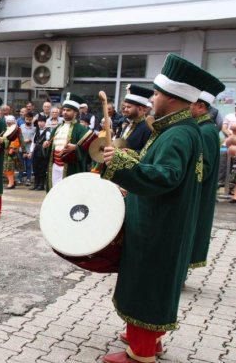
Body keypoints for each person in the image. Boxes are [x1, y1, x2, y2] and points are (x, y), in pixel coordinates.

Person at [100, 54, 206, 363]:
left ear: (172, 98)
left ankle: (140, 353)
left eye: (157, 93)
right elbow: (155, 167)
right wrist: (129, 164)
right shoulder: (177, 129)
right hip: (161, 221)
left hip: (158, 225)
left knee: (147, 284)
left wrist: (121, 165)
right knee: (150, 283)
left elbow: (166, 176)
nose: (153, 98)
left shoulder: (178, 134)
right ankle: (149, 341)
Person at [187, 72, 225, 270]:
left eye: (190, 104)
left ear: (201, 107)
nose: (187, 108)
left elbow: (205, 167)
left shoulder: (206, 131)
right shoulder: (199, 128)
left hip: (197, 194)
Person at [43, 93, 90, 191]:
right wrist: (46, 146)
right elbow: (50, 147)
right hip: (54, 166)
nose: (64, 112)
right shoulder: (57, 128)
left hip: (70, 168)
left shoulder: (81, 129)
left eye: (68, 110)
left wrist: (76, 147)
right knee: (54, 191)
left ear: (75, 113)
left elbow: (87, 149)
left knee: (67, 192)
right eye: (63, 110)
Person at [117, 85, 153, 152]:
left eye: (129, 107)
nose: (125, 110)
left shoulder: (148, 128)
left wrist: (127, 152)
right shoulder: (128, 124)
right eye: (125, 107)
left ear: (140, 109)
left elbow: (148, 153)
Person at [3, 115, 24, 189]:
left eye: (10, 122)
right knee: (5, 169)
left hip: (12, 151)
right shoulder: (5, 129)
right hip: (5, 151)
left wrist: (24, 151)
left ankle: (11, 183)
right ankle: (12, 181)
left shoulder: (18, 129)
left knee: (9, 168)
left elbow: (21, 140)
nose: (9, 123)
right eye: (8, 122)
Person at [31, 115, 51, 190]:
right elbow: (33, 142)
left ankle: (41, 185)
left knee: (42, 169)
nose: (40, 123)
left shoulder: (48, 132)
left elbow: (49, 142)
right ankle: (36, 184)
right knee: (35, 168)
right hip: (36, 152)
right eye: (39, 121)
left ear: (45, 122)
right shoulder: (36, 131)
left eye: (42, 121)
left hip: (43, 153)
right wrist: (31, 152)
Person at [19, 112, 35, 185]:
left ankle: (28, 179)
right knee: (21, 165)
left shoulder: (35, 128)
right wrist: (23, 141)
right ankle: (20, 179)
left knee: (29, 165)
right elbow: (18, 137)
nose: (28, 121)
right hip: (21, 149)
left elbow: (35, 139)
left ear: (32, 119)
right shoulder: (21, 127)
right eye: (27, 119)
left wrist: (30, 140)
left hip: (30, 150)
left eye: (30, 119)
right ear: (24, 119)